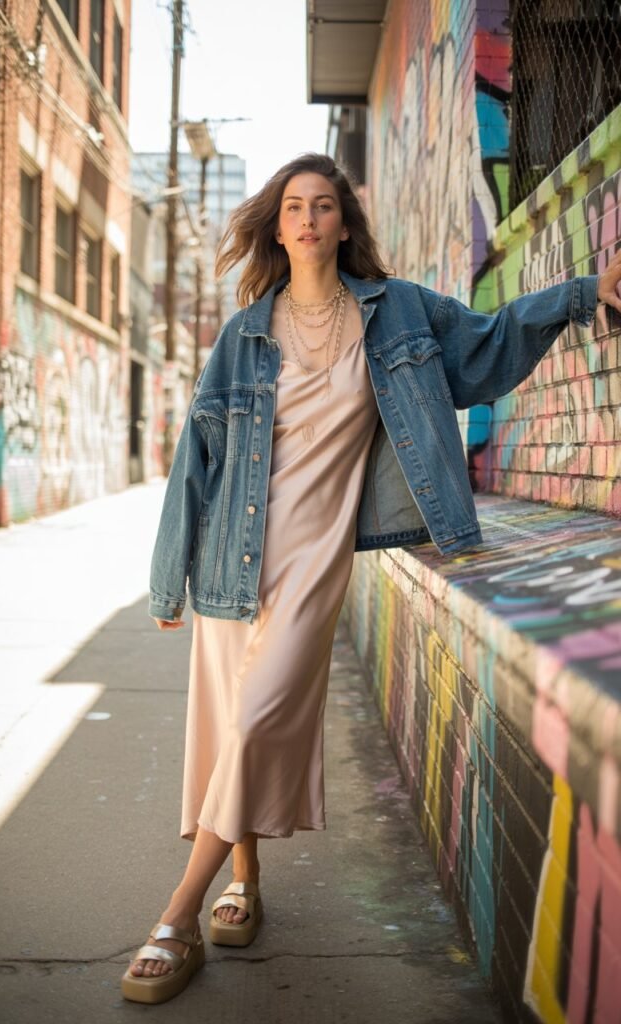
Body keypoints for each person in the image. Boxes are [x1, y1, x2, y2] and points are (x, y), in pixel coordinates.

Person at [121, 153, 621, 1004]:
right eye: (293, 207)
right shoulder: (243, 335)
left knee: (259, 716)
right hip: (230, 559)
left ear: (344, 224)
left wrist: (579, 295)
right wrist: (170, 577)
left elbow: (490, 348)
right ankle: (245, 884)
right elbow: (193, 463)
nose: (308, 219)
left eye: (323, 206)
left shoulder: (400, 316)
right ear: (277, 226)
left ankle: (177, 914)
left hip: (314, 558)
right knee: (230, 724)